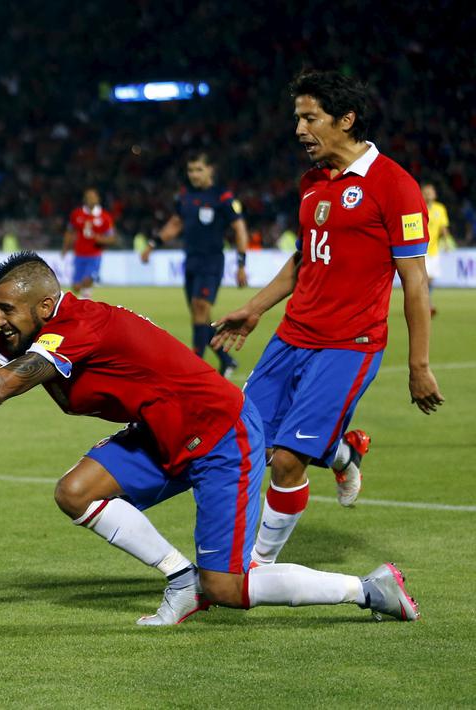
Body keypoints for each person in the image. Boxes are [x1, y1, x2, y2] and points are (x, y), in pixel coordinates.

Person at [0, 252, 418, 626]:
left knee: (229, 588)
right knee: (77, 491)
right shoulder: (34, 331)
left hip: (220, 435)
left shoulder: (76, 331)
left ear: (45, 306)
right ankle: (180, 580)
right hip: (165, 432)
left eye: (6, 310)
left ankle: (370, 589)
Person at [212, 70, 444, 567]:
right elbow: (304, 258)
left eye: (309, 117)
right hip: (291, 337)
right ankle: (343, 452)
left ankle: (258, 567)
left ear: (346, 119)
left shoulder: (394, 186)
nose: (299, 128)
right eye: (297, 117)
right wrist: (254, 309)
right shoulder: (312, 182)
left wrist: (419, 364)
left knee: (290, 460)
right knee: (253, 445)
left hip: (349, 344)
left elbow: (415, 280)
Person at [141, 152, 249, 378]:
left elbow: (239, 228)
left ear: (210, 170)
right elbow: (176, 223)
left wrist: (241, 263)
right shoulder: (185, 196)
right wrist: (154, 243)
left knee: (201, 307)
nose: (193, 175)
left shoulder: (222, 196)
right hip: (191, 261)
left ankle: (194, 366)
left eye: (199, 169)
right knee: (199, 316)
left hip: (212, 261)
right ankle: (226, 361)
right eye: (191, 170)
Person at [61, 187, 116, 299]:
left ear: (98, 199)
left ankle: (85, 301)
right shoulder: (77, 214)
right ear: (84, 199)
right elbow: (70, 232)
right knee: (76, 287)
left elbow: (112, 237)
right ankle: (85, 295)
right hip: (79, 254)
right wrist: (65, 248)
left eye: (93, 197)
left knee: (87, 280)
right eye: (88, 197)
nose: (91, 199)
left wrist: (101, 239)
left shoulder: (105, 217)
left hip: (95, 255)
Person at [421, 182, 452, 316]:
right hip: (422, 249)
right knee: (425, 278)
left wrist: (446, 242)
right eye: (426, 192)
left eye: (431, 192)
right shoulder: (419, 207)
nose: (429, 194)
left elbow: (443, 227)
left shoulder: (440, 209)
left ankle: (425, 302)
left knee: (431, 279)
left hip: (434, 249)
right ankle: (428, 304)